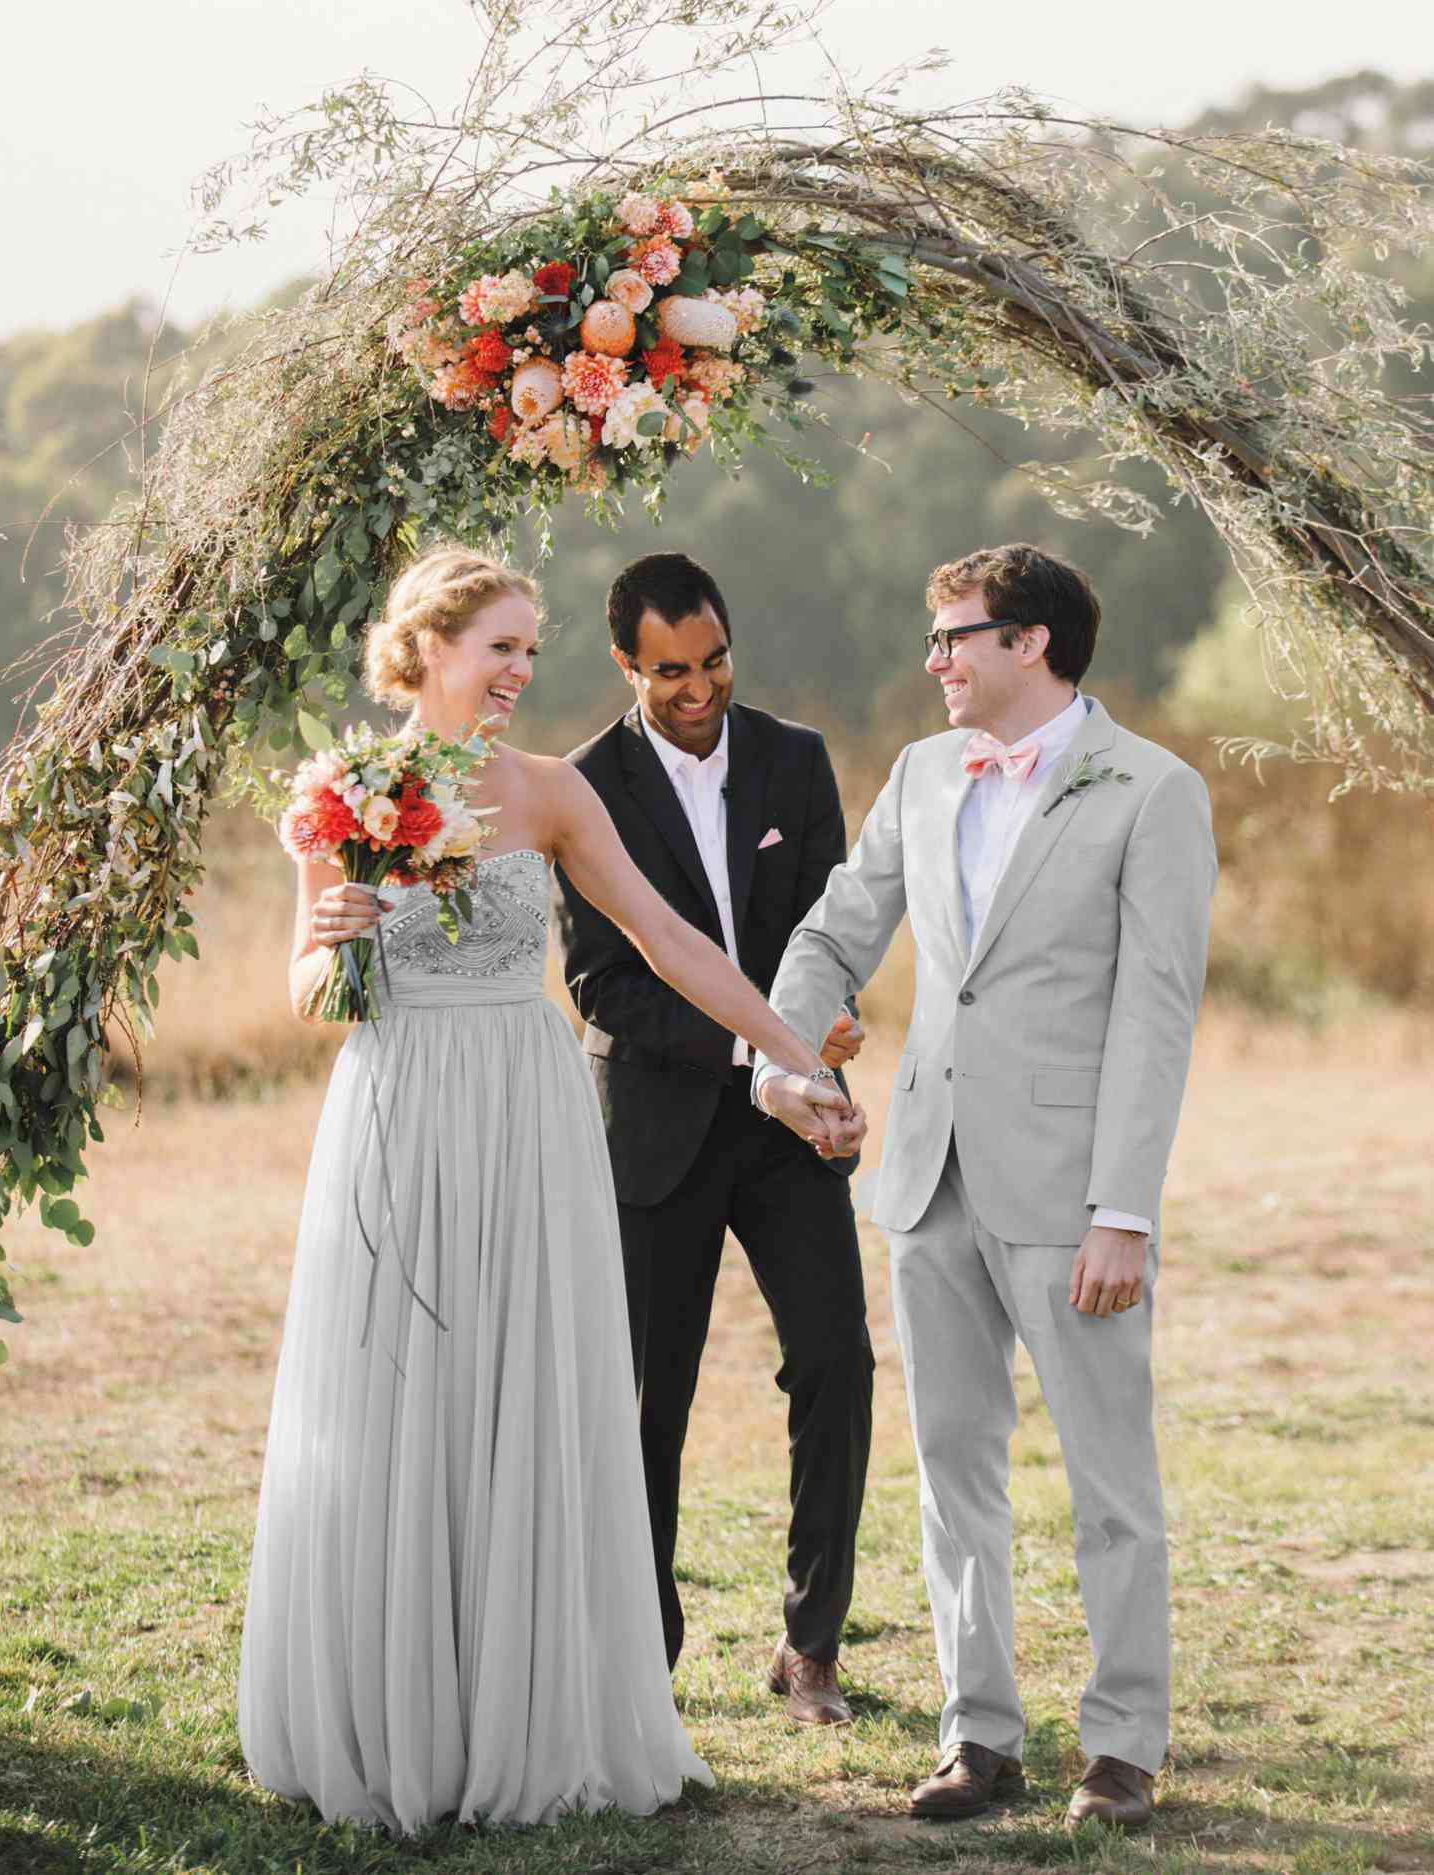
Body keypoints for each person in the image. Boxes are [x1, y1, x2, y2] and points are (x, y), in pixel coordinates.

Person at [237, 545, 855, 1833]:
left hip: (527, 1111)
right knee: (404, 1392)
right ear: (428, 649)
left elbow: (669, 943)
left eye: (531, 647)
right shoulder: (339, 791)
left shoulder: (554, 791)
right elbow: (305, 993)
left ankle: (528, 1705)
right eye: (500, 647)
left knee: (524, 1391)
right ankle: (401, 1706)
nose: (521, 669)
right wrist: (332, 943)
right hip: (402, 1110)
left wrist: (791, 1053)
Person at [755, 543, 1216, 1831]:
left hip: (1073, 1194)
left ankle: (1121, 1744)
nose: (935, 661)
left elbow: (1157, 1015)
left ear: (1031, 642)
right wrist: (784, 1060)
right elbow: (835, 931)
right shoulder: (922, 771)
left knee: (1109, 1478)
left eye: (954, 636)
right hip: (928, 1178)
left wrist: (1123, 1209)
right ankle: (979, 1734)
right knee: (953, 1469)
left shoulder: (1153, 789)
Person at [551, 551, 874, 1725]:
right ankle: (648, 1660)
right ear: (625, 665)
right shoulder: (583, 787)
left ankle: (812, 1644)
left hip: (792, 1126)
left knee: (836, 1362)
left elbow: (828, 934)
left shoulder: (797, 758)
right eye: (670, 671)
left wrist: (827, 1032)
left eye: (715, 660)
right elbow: (603, 986)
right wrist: (763, 1055)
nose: (699, 689)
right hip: (656, 1126)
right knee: (650, 1399)